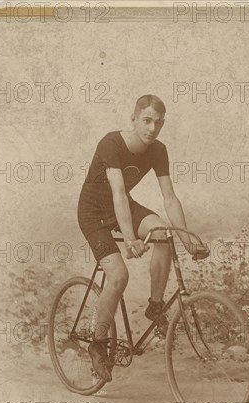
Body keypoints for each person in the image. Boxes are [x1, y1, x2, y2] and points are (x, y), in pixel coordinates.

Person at [78, 94, 207, 382]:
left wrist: (186, 238)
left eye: (158, 123)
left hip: (122, 208)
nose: (152, 128)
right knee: (119, 276)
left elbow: (169, 198)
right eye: (146, 120)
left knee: (163, 234)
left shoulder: (158, 150)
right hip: (94, 212)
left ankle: (155, 305)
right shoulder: (111, 143)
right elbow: (118, 193)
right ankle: (98, 344)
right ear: (133, 118)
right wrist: (129, 238)